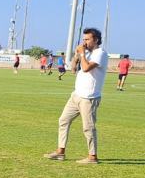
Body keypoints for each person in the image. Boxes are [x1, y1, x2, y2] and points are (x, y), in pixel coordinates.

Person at [44, 28, 109, 164]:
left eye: (87, 39)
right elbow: (74, 70)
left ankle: (92, 157)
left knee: (88, 127)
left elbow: (86, 68)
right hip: (76, 95)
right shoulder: (85, 53)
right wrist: (76, 57)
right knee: (63, 120)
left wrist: (82, 55)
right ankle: (60, 152)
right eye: (83, 39)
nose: (84, 42)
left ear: (95, 39)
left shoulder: (100, 53)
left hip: (89, 98)